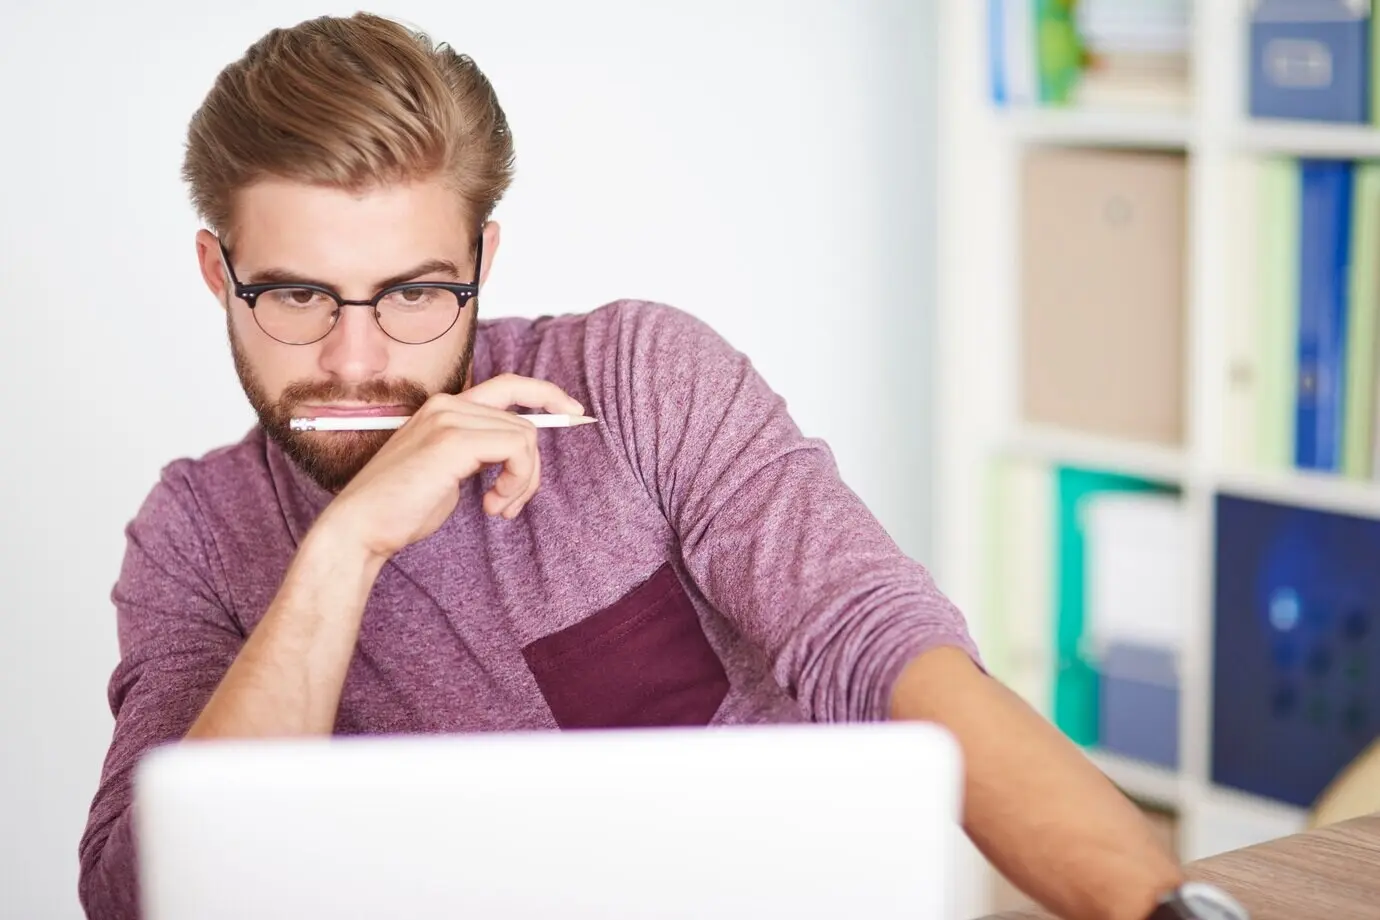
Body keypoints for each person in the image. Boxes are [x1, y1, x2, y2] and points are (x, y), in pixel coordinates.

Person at [77, 12, 1228, 920]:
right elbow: (143, 895)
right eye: (295, 295)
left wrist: (1161, 908)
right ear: (218, 273)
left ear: (482, 257)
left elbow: (884, 650)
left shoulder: (633, 376)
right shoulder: (192, 533)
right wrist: (344, 547)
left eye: (420, 291)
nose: (358, 359)